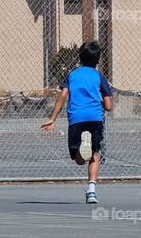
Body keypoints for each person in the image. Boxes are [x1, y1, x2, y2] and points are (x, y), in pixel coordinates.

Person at [40, 41, 113, 204]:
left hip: (76, 118)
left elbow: (63, 95)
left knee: (79, 160)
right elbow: (108, 106)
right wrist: (100, 100)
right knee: (94, 154)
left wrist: (52, 119)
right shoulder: (100, 77)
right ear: (99, 60)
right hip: (95, 118)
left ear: (79, 58)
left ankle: (82, 149)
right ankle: (92, 191)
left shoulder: (72, 75)